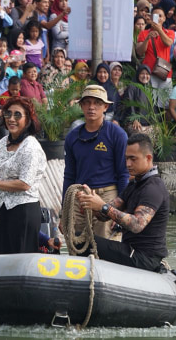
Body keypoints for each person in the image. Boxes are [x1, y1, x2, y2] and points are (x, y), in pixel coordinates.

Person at [75, 133, 169, 272]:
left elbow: (137, 224)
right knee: (79, 237)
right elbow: (105, 215)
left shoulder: (153, 188)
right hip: (130, 250)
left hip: (144, 257)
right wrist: (90, 202)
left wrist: (102, 205)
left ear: (148, 158)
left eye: (133, 159)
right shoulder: (135, 184)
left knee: (84, 240)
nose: (127, 164)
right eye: (126, 158)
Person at [0, 97, 46, 254]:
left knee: (21, 262)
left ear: (28, 119)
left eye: (18, 115)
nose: (11, 119)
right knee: (1, 260)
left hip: (24, 211)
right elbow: (0, 175)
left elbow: (24, 184)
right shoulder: (1, 144)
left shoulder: (31, 147)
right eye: (8, 114)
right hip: (2, 210)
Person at [63, 85, 129, 240]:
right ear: (81, 106)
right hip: (80, 196)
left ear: (105, 107)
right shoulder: (72, 137)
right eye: (87, 102)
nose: (91, 107)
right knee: (76, 244)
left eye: (97, 103)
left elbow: (123, 173)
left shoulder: (117, 134)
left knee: (105, 246)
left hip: (107, 195)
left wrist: (121, 211)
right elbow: (69, 176)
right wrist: (64, 212)